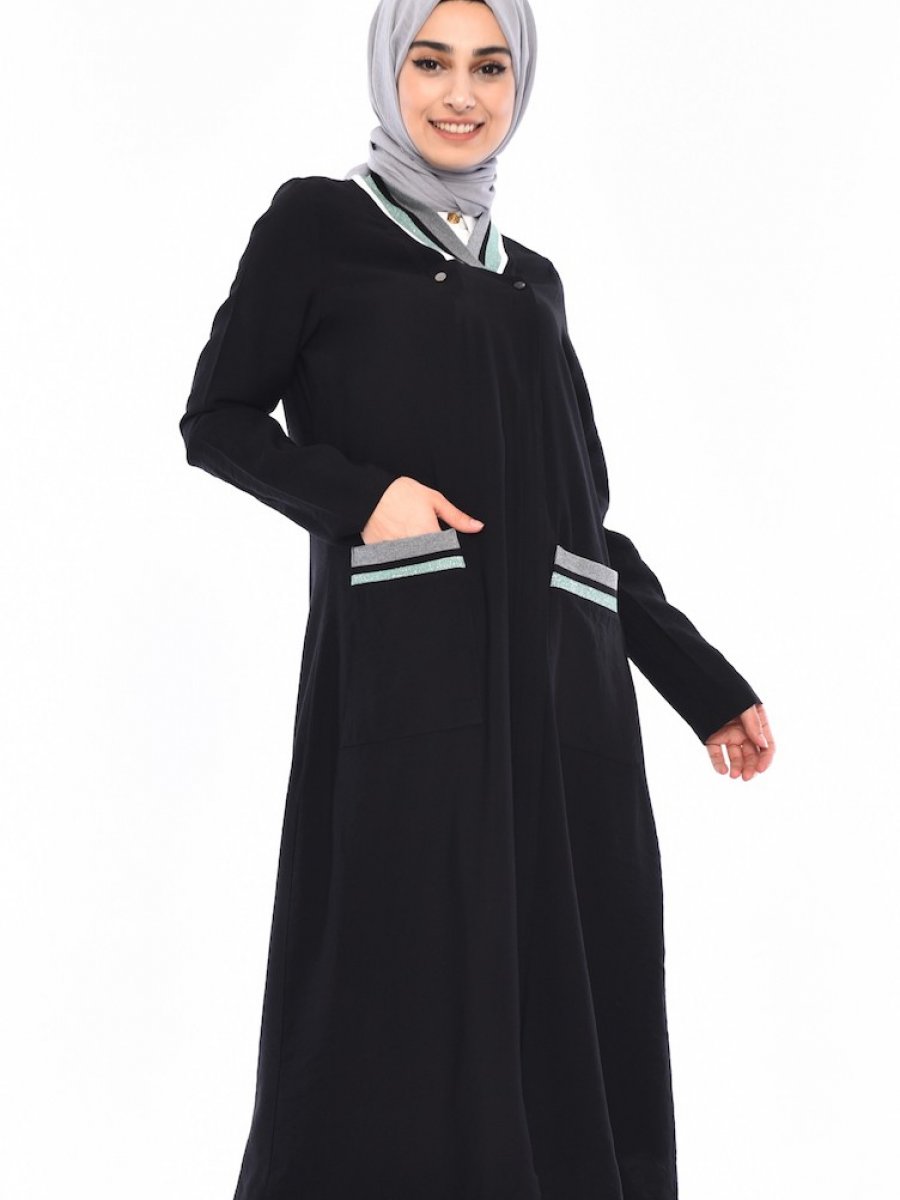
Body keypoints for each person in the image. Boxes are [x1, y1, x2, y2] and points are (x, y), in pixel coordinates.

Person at [178, 1, 776, 1196]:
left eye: (491, 66)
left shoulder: (534, 281)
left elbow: (580, 517)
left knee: (564, 1000)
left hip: (561, 701)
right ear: (389, 71)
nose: (462, 93)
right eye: (433, 62)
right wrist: (368, 500)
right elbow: (218, 420)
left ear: (521, 81)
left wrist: (699, 681)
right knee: (399, 990)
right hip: (414, 688)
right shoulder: (319, 225)